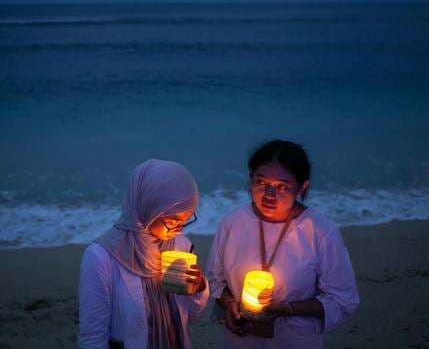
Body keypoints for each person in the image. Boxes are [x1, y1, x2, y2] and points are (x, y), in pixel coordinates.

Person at [207, 140, 359, 348]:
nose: (269, 194)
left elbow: (343, 299)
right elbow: (215, 281)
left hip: (295, 340)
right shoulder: (232, 222)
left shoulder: (320, 231)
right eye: (262, 183)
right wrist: (230, 304)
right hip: (240, 340)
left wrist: (286, 309)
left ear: (302, 187)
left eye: (282, 186)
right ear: (251, 177)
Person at [78, 159, 209, 349]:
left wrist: (199, 288)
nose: (179, 229)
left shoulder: (181, 245)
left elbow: (193, 316)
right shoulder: (101, 257)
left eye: (187, 219)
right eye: (173, 221)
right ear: (148, 209)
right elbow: (92, 335)